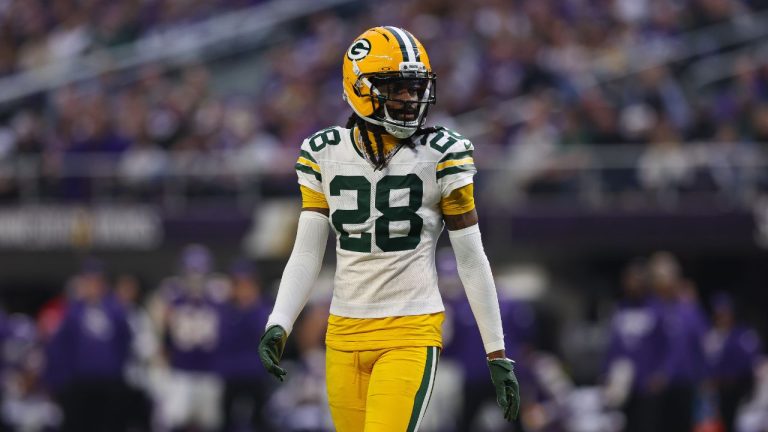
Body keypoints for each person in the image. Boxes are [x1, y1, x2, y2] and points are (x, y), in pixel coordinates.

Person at [258, 26, 520, 431]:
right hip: (342, 332)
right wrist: (280, 320)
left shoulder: (442, 153)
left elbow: (470, 258)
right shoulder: (323, 152)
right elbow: (308, 251)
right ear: (360, 88)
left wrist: (496, 351)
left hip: (410, 330)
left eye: (416, 89)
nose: (410, 99)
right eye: (397, 88)